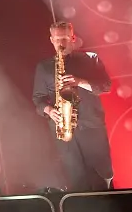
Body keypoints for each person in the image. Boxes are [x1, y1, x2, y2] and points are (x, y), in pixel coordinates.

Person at [33, 21, 114, 192]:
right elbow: (38, 99)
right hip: (64, 129)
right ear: (51, 40)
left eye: (64, 39)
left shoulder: (91, 59)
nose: (60, 44)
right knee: (76, 180)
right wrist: (49, 110)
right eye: (57, 40)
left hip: (91, 126)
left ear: (73, 38)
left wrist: (80, 81)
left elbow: (105, 85)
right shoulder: (44, 67)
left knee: (102, 177)